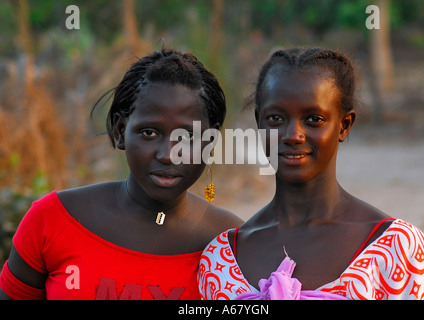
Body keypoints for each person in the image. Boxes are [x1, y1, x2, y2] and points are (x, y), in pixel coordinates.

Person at [198, 47, 424, 300]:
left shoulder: (398, 250)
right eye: (275, 118)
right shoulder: (221, 261)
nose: (293, 135)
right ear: (259, 122)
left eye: (314, 119)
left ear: (344, 125)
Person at [0, 49, 242, 300]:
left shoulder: (233, 244)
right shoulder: (53, 220)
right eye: (149, 133)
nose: (169, 154)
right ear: (120, 131)